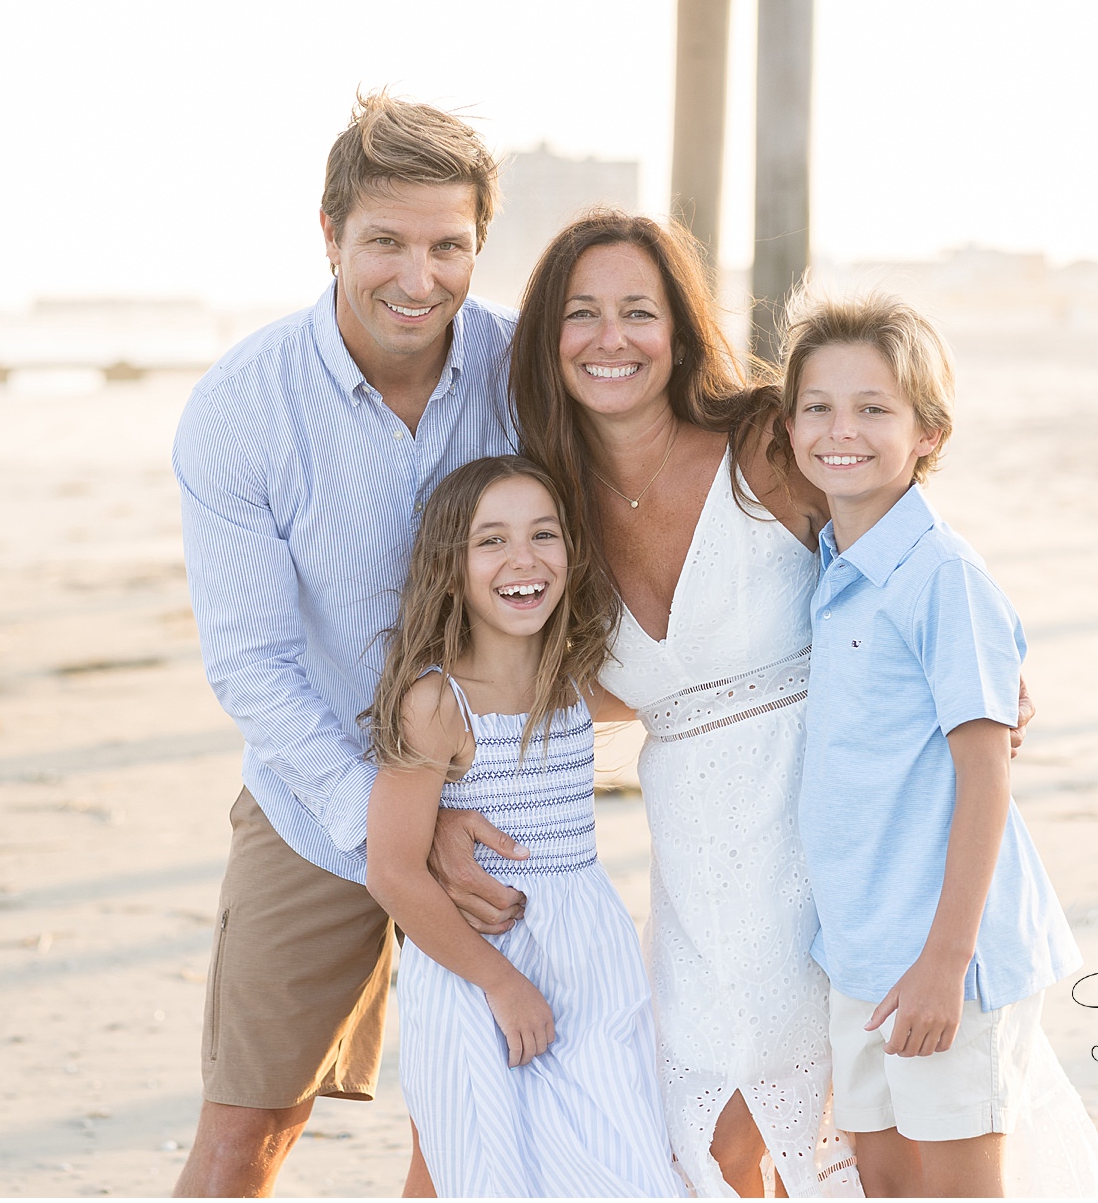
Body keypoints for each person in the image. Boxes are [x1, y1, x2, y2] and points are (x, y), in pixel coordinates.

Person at [170, 92, 532, 1197]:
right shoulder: (241, 408)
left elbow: (691, 491)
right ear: (329, 235)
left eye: (447, 246)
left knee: (468, 1135)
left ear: (477, 245)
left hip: (499, 806)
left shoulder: (527, 376)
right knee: (248, 1130)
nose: (416, 279)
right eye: (384, 242)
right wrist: (390, 827)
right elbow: (252, 666)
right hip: (312, 799)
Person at [508, 210, 863, 1197]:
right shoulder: (548, 513)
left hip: (826, 824)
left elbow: (898, 551)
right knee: (706, 1138)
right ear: (548, 339)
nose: (610, 338)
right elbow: (580, 692)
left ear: (678, 329)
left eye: (637, 311)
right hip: (698, 860)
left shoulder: (762, 440)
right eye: (581, 315)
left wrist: (977, 662)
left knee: (845, 1120)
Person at [782, 291, 1098, 1197]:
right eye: (817, 405)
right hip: (857, 948)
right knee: (884, 1181)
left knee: (961, 1189)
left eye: (874, 409)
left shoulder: (942, 577)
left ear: (928, 433)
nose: (839, 429)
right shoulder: (833, 565)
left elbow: (986, 777)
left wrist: (945, 964)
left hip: (945, 954)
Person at [363, 455, 682, 1197]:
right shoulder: (437, 704)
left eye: (544, 535)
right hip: (479, 969)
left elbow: (702, 678)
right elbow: (394, 870)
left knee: (619, 1164)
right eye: (491, 541)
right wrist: (502, 983)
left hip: (590, 960)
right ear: (450, 569)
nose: (523, 559)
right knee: (486, 1172)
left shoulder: (574, 684)